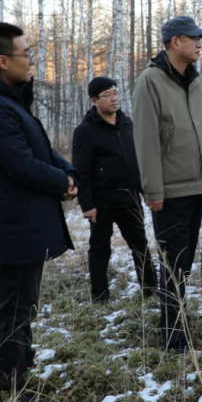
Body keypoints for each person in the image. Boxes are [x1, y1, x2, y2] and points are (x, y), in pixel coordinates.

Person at [0, 22, 78, 399]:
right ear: (3, 61)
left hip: (27, 218)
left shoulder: (6, 100)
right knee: (14, 305)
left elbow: (38, 149)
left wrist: (68, 172)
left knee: (24, 302)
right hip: (15, 221)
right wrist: (61, 182)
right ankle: (9, 382)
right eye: (26, 54)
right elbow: (20, 164)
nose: (31, 61)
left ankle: (20, 369)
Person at [132, 16, 202, 352]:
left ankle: (175, 323)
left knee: (183, 266)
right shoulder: (150, 81)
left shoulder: (198, 81)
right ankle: (173, 337)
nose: (199, 44)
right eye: (193, 38)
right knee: (172, 266)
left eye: (200, 38)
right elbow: (146, 141)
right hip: (169, 192)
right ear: (174, 42)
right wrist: (153, 190)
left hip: (196, 186)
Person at [71, 76, 158, 304]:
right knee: (100, 249)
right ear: (94, 101)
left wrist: (145, 189)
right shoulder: (86, 130)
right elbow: (81, 170)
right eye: (107, 95)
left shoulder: (128, 124)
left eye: (115, 93)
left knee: (141, 246)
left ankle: (151, 291)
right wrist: (87, 203)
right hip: (102, 203)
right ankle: (100, 296)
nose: (114, 98)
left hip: (130, 199)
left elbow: (137, 161)